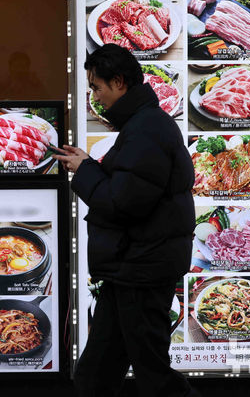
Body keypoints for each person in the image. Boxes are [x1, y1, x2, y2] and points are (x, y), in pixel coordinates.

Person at [53, 44, 197, 397]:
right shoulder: (143, 125)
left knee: (153, 377)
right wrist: (87, 163)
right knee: (96, 373)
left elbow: (124, 202)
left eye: (97, 87)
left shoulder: (146, 129)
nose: (95, 96)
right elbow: (131, 187)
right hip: (132, 267)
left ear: (118, 82)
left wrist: (84, 171)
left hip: (142, 269)